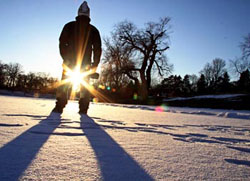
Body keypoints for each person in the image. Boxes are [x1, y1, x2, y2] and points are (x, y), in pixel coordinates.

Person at [52, 1, 102, 114]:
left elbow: (61, 43)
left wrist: (65, 58)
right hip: (86, 64)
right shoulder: (93, 30)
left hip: (70, 62)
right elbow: (97, 49)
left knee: (65, 83)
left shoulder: (69, 26)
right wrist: (95, 64)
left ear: (78, 13)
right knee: (85, 85)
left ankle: (59, 106)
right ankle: (83, 109)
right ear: (89, 14)